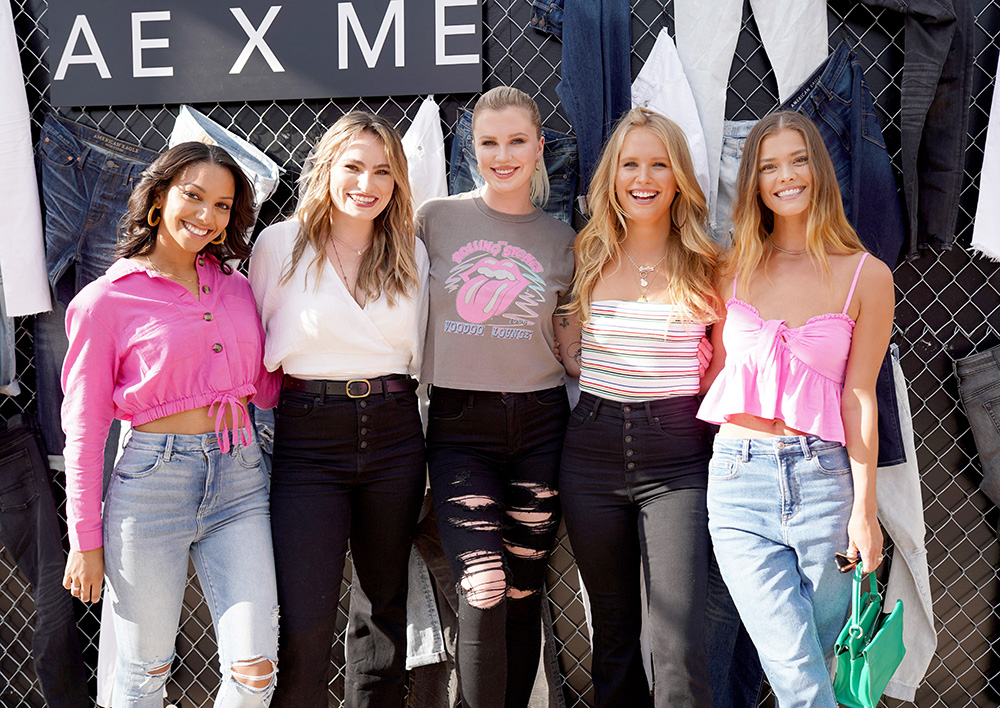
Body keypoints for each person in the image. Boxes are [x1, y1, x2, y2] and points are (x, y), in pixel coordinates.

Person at [61, 142, 280, 707]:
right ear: (158, 198)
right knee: (144, 672)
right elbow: (84, 428)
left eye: (224, 206)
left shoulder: (237, 287)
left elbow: (267, 385)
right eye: (194, 196)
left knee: (255, 669)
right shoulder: (105, 300)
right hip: (151, 484)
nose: (208, 217)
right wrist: (84, 539)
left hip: (240, 478)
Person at [697, 110, 893, 708]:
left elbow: (860, 395)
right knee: (795, 671)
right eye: (768, 165)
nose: (785, 176)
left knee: (823, 662)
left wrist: (865, 510)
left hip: (825, 482)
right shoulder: (727, 269)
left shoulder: (867, 275)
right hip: (738, 480)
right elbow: (705, 368)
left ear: (820, 170)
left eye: (798, 160)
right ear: (753, 181)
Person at [248, 111, 428, 708]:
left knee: (382, 611)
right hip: (308, 437)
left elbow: (418, 354)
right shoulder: (280, 245)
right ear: (326, 170)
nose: (366, 183)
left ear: (397, 181)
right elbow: (255, 355)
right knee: (304, 615)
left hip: (395, 433)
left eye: (382, 171)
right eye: (352, 166)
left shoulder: (411, 253)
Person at [554, 107, 722, 708]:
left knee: (676, 642)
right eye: (630, 164)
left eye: (659, 163)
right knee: (615, 638)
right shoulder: (588, 252)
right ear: (612, 175)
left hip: (677, 458)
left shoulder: (709, 262)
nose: (643, 177)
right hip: (591, 451)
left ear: (678, 176)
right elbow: (570, 348)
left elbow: (724, 370)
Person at [416, 86, 576, 708]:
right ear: (471, 149)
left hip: (541, 426)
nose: (503, 155)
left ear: (539, 148)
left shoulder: (565, 239)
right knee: (481, 585)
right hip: (460, 428)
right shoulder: (435, 220)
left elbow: (569, 342)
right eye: (488, 143)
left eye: (516, 141)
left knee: (522, 594)